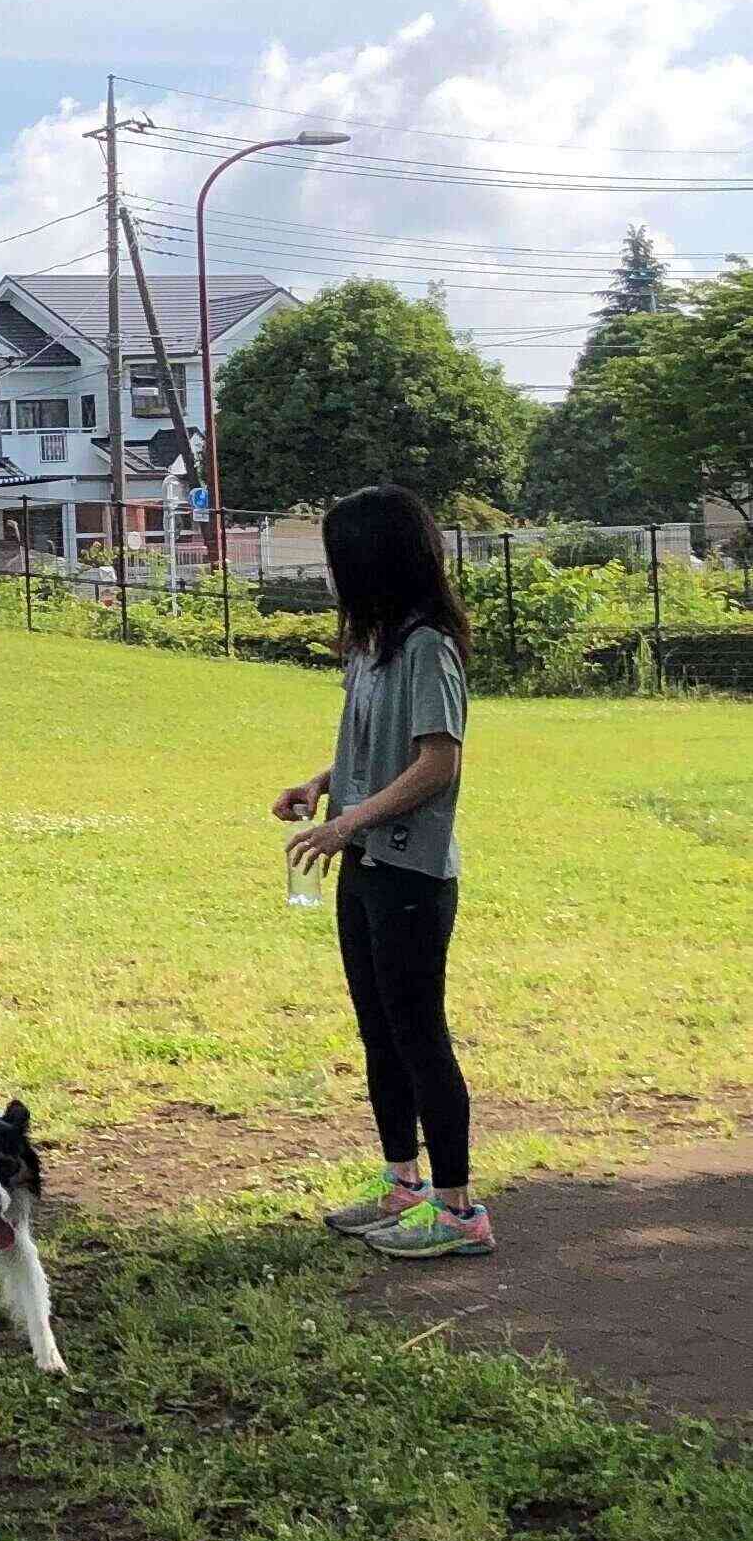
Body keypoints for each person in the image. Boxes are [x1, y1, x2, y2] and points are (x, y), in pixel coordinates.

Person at [276, 484, 491, 1259]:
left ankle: (458, 1210)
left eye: (337, 557)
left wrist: (349, 822)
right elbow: (371, 746)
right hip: (364, 862)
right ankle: (402, 1182)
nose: (328, 574)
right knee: (378, 1031)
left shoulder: (429, 645)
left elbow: (436, 761)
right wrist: (318, 786)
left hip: (411, 872)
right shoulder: (372, 645)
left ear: (373, 559)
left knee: (418, 1036)